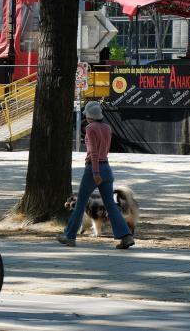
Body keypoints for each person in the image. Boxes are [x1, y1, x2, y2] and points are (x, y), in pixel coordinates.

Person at [57, 101, 135, 249]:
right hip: (107, 167)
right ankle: (126, 236)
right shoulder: (107, 127)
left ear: (89, 116)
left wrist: (95, 172)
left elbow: (93, 152)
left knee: (80, 204)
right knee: (110, 205)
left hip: (94, 169)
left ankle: (69, 236)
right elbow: (104, 150)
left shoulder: (90, 128)